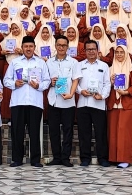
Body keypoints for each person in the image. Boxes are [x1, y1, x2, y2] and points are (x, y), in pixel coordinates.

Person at [3, 35, 51, 167]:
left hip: (35, 102)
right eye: (26, 46)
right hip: (18, 101)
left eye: (31, 46)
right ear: (22, 48)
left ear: (34, 47)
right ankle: (17, 159)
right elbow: (6, 80)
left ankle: (35, 159)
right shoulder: (15, 62)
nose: (28, 49)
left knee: (34, 131)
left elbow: (47, 81)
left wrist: (39, 86)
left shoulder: (41, 62)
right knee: (17, 132)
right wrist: (15, 83)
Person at [45, 35, 80, 167]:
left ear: (67, 47)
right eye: (59, 45)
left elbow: (76, 79)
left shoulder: (73, 62)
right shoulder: (48, 62)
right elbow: (44, 80)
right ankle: (56, 157)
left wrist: (71, 94)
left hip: (68, 101)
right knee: (53, 130)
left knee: (68, 130)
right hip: (53, 100)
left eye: (64, 45)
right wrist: (50, 82)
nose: (61, 47)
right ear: (55, 46)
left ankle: (66, 158)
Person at [75, 40, 111, 167]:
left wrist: (103, 96)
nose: (91, 51)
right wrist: (80, 91)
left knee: (100, 133)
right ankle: (85, 158)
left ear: (97, 50)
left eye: (93, 49)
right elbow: (75, 83)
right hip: (83, 103)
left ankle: (103, 158)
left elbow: (107, 84)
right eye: (88, 49)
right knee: (84, 133)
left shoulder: (104, 66)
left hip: (98, 104)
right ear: (84, 51)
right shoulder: (79, 65)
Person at [107, 45, 132, 168]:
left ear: (126, 54)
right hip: (114, 104)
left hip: (127, 104)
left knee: (126, 133)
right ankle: (114, 157)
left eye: (122, 52)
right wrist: (111, 81)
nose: (119, 54)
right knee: (113, 132)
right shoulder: (110, 69)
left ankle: (125, 159)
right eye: (117, 52)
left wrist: (127, 92)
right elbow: (104, 85)